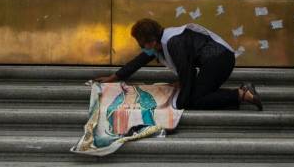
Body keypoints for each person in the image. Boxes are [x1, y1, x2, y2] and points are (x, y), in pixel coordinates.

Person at [96, 18, 263, 110]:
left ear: (151, 41)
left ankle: (242, 94)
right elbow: (138, 61)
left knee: (193, 100)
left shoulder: (173, 41)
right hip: (214, 62)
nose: (141, 47)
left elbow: (187, 71)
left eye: (141, 43)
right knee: (194, 96)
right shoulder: (159, 43)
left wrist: (180, 103)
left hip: (219, 60)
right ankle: (241, 93)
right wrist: (114, 77)